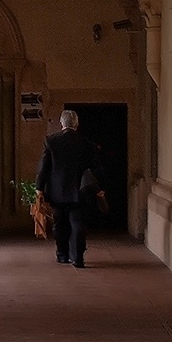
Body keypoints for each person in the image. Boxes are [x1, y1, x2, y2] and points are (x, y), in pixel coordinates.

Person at [35, 108, 100, 268]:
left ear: (61, 123)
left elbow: (44, 167)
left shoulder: (51, 141)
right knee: (78, 223)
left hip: (58, 192)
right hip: (80, 191)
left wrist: (39, 188)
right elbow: (97, 168)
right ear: (76, 124)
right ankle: (77, 257)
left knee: (60, 224)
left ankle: (62, 255)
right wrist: (99, 187)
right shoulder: (86, 143)